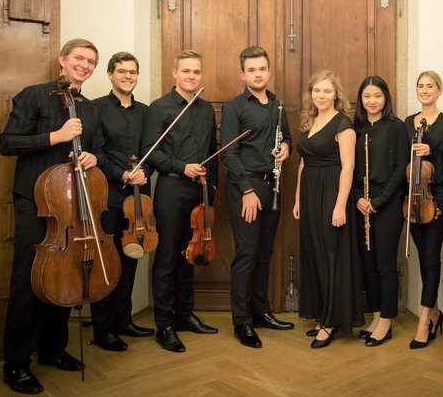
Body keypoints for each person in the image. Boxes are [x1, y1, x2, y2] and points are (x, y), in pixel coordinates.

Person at [0, 38, 104, 394]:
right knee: (28, 280)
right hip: (35, 202)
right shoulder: (34, 95)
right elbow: (7, 143)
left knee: (66, 276)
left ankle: (52, 349)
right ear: (62, 60)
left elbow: (98, 149)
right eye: (79, 58)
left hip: (71, 206)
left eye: (91, 61)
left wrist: (92, 157)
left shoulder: (88, 108)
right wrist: (54, 136)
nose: (85, 65)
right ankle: (15, 363)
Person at [142, 49, 218, 353]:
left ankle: (185, 314)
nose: (191, 76)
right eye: (186, 71)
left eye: (196, 72)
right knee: (167, 257)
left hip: (199, 191)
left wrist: (210, 190)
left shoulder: (206, 110)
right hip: (172, 189)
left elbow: (213, 150)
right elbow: (152, 152)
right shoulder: (159, 108)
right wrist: (180, 167)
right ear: (174, 73)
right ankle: (165, 324)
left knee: (191, 253)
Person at [221, 46, 295, 349]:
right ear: (243, 74)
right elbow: (229, 152)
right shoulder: (234, 106)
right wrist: (248, 191)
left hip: (272, 186)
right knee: (246, 254)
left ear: (269, 71)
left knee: (264, 252)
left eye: (262, 68)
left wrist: (287, 148)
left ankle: (261, 311)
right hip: (245, 187)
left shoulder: (277, 106)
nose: (258, 73)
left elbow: (287, 138)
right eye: (251, 69)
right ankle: (242, 322)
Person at [89, 52, 154, 352]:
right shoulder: (97, 109)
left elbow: (153, 152)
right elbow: (96, 154)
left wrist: (144, 173)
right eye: (122, 71)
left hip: (138, 198)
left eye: (133, 71)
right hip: (108, 195)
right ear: (110, 75)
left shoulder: (146, 112)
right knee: (107, 260)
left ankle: (123, 318)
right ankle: (103, 329)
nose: (128, 76)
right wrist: (123, 174)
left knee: (131, 255)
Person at [293, 70, 363, 349]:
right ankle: (321, 316)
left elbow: (348, 167)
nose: (321, 96)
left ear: (336, 95)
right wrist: (298, 199)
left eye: (327, 91)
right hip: (310, 194)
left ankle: (331, 321)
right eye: (316, 91)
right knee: (314, 255)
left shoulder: (343, 125)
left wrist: (340, 205)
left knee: (331, 255)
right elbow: (303, 162)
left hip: (332, 193)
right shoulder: (310, 121)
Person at [404, 70, 443, 349]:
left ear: (440, 90)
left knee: (430, 255)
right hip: (412, 196)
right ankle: (436, 312)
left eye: (430, 86)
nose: (425, 90)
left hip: (437, 194)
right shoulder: (407, 123)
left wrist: (431, 152)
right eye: (420, 86)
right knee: (422, 257)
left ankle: (423, 321)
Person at [352, 76, 409, 347]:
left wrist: (380, 200)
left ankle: (386, 320)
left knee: (385, 263)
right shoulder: (356, 128)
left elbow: (401, 168)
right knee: (368, 262)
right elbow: (348, 169)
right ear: (360, 100)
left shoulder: (397, 128)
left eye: (377, 95)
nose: (372, 101)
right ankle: (375, 316)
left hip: (387, 202)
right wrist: (357, 199)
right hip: (361, 201)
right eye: (367, 96)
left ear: (385, 98)